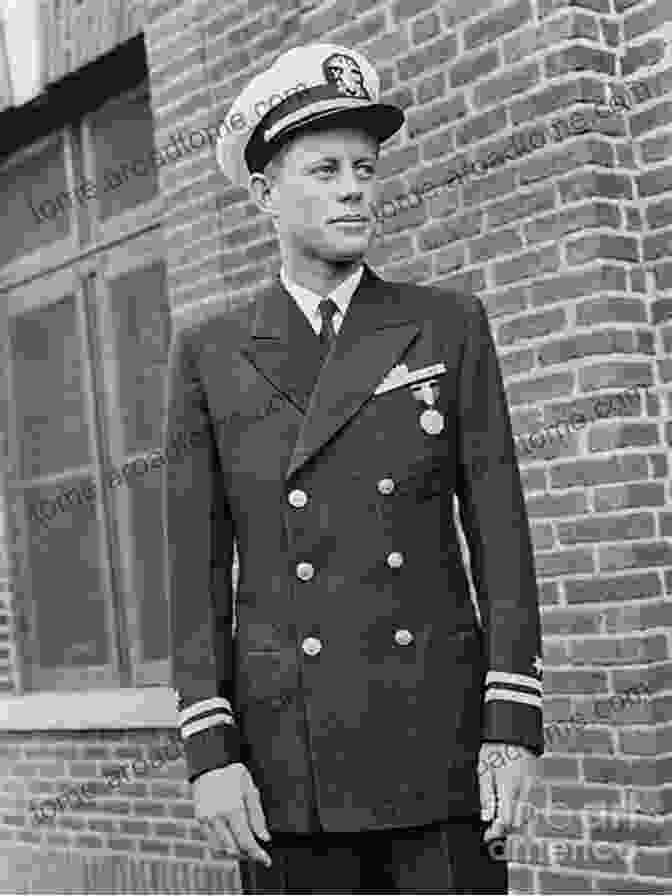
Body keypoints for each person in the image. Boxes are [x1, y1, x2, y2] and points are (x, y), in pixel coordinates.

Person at [163, 42, 544, 894]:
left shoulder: (447, 326)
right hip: (286, 767)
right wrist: (209, 754)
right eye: (324, 169)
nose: (353, 188)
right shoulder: (210, 355)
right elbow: (194, 572)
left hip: (440, 756)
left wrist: (512, 725)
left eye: (365, 169)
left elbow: (502, 535)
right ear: (265, 194)